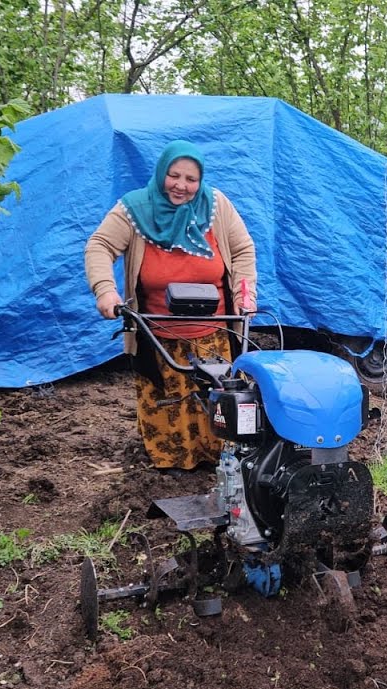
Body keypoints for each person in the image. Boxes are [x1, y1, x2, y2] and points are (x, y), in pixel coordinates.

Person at [84, 140, 257, 474]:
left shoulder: (217, 205)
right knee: (166, 402)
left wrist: (246, 294)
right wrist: (105, 291)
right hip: (156, 330)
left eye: (191, 179)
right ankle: (172, 466)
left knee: (220, 397)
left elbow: (243, 249)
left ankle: (219, 461)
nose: (181, 185)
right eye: (174, 176)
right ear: (162, 173)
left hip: (216, 328)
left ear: (200, 180)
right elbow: (100, 246)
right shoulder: (133, 210)